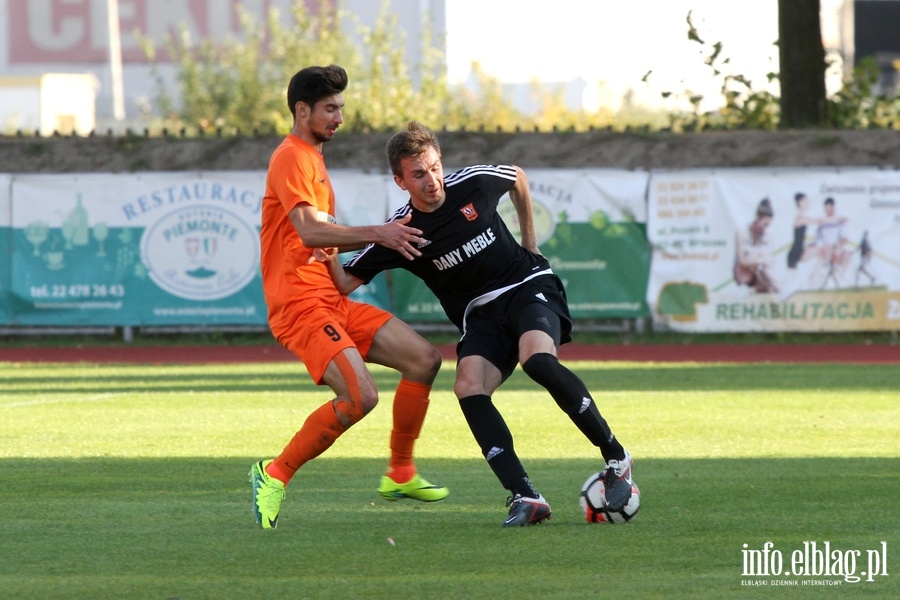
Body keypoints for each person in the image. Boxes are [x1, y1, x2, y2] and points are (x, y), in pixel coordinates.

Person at [322, 121, 634, 527]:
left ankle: (616, 457)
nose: (431, 180)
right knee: (468, 386)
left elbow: (517, 177)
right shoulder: (401, 231)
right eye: (418, 174)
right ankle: (526, 495)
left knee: (537, 361)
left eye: (434, 167)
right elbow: (345, 282)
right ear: (400, 181)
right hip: (480, 316)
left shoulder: (473, 183)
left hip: (526, 285)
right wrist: (326, 248)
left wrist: (530, 241)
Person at [250, 67, 448, 530]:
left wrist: (346, 273)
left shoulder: (313, 160)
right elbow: (308, 229)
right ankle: (273, 473)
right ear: (303, 111)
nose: (340, 116)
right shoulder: (291, 158)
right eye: (330, 108)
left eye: (341, 107)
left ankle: (400, 473)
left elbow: (323, 242)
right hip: (300, 305)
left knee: (423, 360)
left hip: (328, 299)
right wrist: (379, 232)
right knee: (360, 397)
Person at [734, 198, 778, 293]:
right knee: (759, 255)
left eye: (768, 226)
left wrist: (772, 282)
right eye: (764, 224)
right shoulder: (742, 233)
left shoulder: (768, 237)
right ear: (757, 218)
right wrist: (759, 259)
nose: (765, 228)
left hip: (760, 275)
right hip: (743, 275)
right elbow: (741, 260)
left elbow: (767, 265)